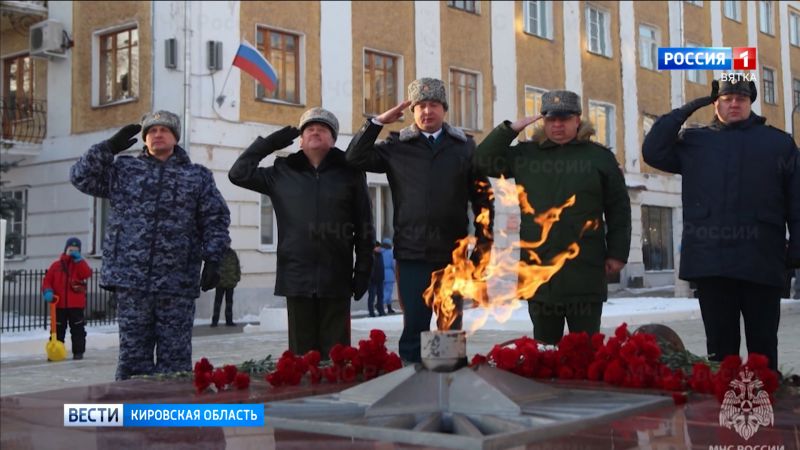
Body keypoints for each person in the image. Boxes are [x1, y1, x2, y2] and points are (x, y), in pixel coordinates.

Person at [643, 79, 800, 372]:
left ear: (750, 103)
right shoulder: (695, 142)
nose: (734, 104)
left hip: (761, 259)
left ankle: (766, 395)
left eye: (741, 99)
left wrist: (797, 246)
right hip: (711, 260)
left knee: (764, 346)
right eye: (727, 99)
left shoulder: (778, 144)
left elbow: (797, 198)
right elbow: (653, 151)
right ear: (715, 103)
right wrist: (686, 109)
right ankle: (725, 397)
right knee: (720, 348)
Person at [70, 110, 231, 380]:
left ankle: (171, 407)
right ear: (144, 139)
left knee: (175, 360)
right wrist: (107, 148)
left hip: (176, 282)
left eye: (164, 130)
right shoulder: (124, 170)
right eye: (152, 131)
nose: (157, 134)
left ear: (175, 137)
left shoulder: (196, 176)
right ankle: (134, 407)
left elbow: (215, 218)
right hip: (131, 281)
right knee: (133, 358)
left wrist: (214, 259)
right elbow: (80, 177)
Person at [346, 78, 494, 363]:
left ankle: (447, 379)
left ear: (444, 109)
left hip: (452, 255)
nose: (427, 111)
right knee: (414, 325)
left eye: (434, 104)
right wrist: (377, 123)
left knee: (449, 326)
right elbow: (354, 158)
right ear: (413, 111)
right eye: (421, 105)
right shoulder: (397, 146)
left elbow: (483, 201)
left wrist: (483, 247)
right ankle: (413, 379)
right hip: (412, 254)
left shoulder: (464, 147)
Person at [474, 89, 631, 345]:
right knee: (545, 349)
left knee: (586, 349)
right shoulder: (526, 155)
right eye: (551, 119)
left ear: (577, 120)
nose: (557, 125)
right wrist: (509, 130)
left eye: (564, 118)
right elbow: (482, 161)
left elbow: (618, 209)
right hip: (539, 271)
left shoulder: (599, 158)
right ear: (543, 121)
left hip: (585, 270)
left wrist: (617, 253)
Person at [229, 107, 374, 358]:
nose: (315, 132)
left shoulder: (350, 173)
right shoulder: (281, 172)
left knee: (337, 358)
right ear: (301, 140)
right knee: (302, 358)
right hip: (296, 276)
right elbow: (238, 174)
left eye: (323, 129)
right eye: (309, 129)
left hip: (336, 276)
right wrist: (267, 145)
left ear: (333, 140)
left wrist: (363, 270)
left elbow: (364, 225)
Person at [41, 237, 92, 360]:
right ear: (65, 249)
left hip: (76, 305)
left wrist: (79, 261)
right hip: (59, 304)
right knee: (57, 330)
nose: (72, 251)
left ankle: (78, 352)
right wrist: (47, 291)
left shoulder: (79, 265)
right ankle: (56, 352)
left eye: (76, 249)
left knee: (78, 329)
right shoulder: (56, 266)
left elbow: (87, 274)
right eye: (70, 249)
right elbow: (47, 280)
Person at [212, 248, 241, 327]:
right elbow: (213, 267)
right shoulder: (218, 253)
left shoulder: (232, 253)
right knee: (217, 303)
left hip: (230, 283)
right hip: (220, 283)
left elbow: (237, 266)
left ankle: (229, 321)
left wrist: (237, 278)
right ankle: (214, 321)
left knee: (229, 303)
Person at [367, 242, 385, 317]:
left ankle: (381, 310)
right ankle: (371, 312)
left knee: (381, 296)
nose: (379, 248)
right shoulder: (371, 255)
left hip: (380, 279)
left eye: (380, 247)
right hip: (372, 280)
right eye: (378, 247)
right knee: (372, 297)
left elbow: (382, 267)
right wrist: (370, 277)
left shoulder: (380, 255)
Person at [381, 238, 397, 314]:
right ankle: (381, 303)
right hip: (389, 274)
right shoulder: (391, 253)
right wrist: (396, 273)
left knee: (383, 291)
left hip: (381, 273)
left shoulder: (380, 252)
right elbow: (393, 264)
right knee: (388, 291)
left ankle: (389, 307)